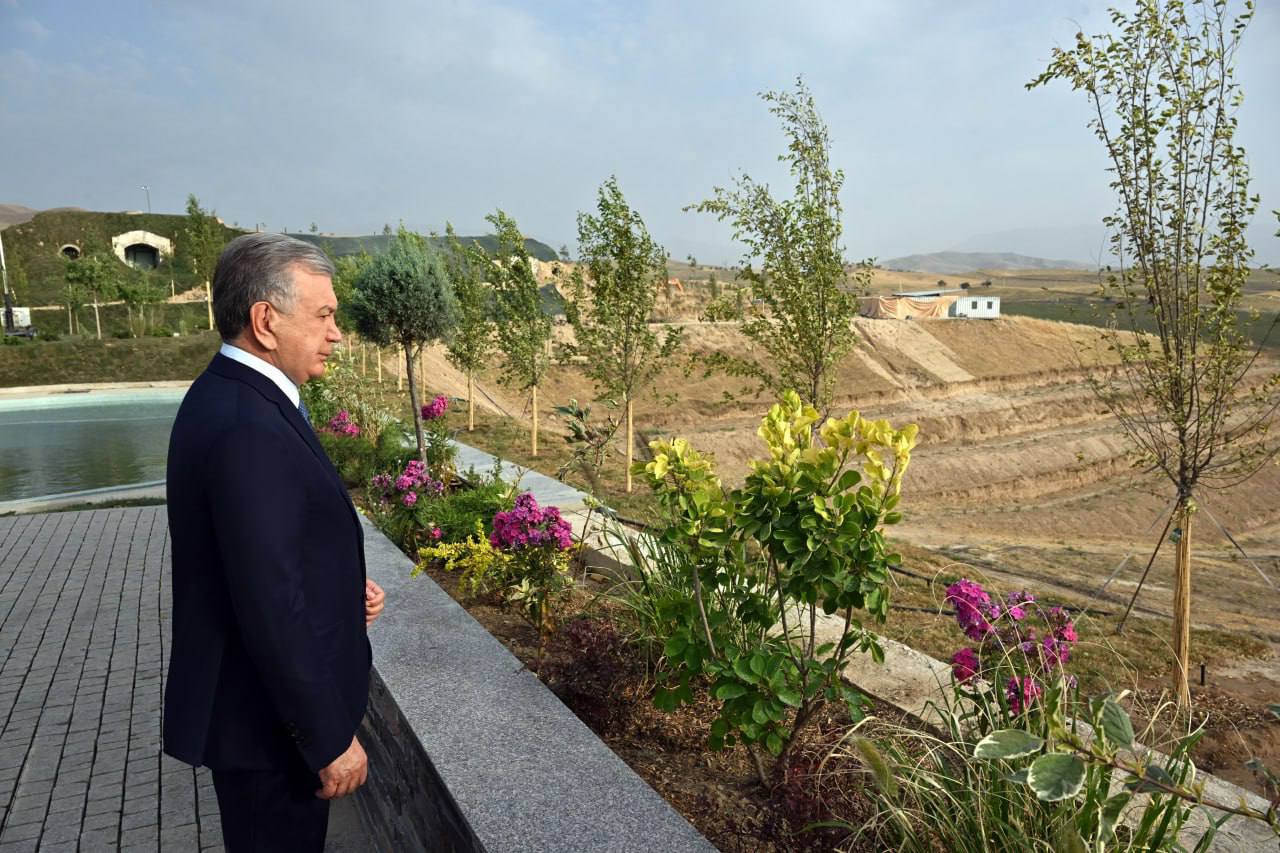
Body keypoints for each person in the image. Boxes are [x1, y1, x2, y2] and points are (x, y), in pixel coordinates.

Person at [163, 232, 386, 852]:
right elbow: (268, 602)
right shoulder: (247, 424)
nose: (336, 334)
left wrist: (342, 591)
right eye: (323, 315)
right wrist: (328, 739)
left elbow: (260, 557)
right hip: (268, 732)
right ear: (266, 321)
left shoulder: (240, 398)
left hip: (262, 721)